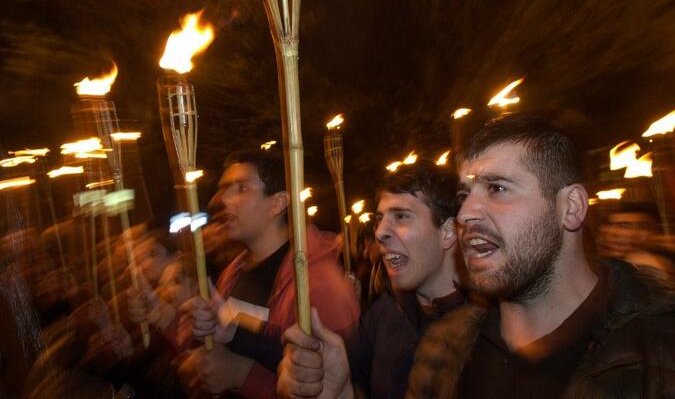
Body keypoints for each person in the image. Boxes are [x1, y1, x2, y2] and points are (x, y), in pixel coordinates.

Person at [406, 113, 675, 398]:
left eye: (497, 188)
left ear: (571, 207)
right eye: (464, 194)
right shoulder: (443, 348)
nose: (466, 213)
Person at [277, 159, 464, 399]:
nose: (379, 232)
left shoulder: (494, 332)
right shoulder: (383, 314)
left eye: (401, 216)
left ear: (447, 232)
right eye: (380, 218)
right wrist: (340, 391)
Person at [180, 150, 360, 398]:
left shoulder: (319, 282)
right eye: (224, 188)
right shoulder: (234, 271)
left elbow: (326, 386)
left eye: (241, 188)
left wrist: (242, 375)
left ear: (277, 203)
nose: (223, 199)